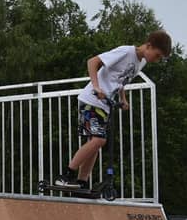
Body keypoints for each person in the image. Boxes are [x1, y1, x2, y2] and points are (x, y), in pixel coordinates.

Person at [54, 30, 172, 189]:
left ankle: (81, 182)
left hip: (105, 105)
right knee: (99, 140)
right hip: (91, 100)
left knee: (94, 144)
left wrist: (123, 99)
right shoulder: (126, 51)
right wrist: (96, 86)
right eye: (157, 55)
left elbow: (121, 81)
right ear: (149, 46)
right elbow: (92, 62)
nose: (156, 60)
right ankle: (65, 175)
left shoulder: (141, 63)